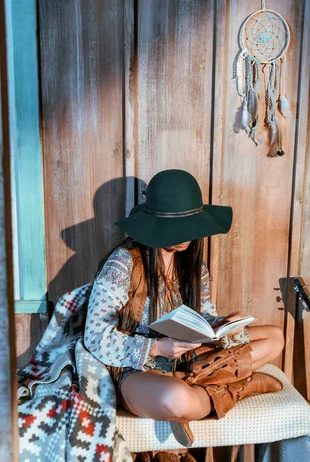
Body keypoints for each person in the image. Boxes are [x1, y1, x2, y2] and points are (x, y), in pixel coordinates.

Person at [84, 169, 285, 446]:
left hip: (189, 358)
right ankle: (240, 384)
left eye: (192, 227)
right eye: (177, 229)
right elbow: (95, 338)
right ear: (153, 225)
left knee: (274, 337)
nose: (185, 237)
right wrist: (155, 348)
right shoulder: (123, 263)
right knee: (176, 399)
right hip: (138, 369)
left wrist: (220, 323)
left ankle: (204, 381)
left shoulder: (192, 264)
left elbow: (201, 315)